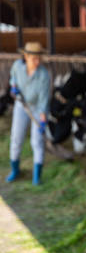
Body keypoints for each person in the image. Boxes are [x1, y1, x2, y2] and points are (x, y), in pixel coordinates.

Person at [6, 41, 50, 185]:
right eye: (33, 58)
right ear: (25, 56)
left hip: (37, 108)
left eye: (38, 58)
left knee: (36, 141)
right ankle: (15, 170)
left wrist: (43, 119)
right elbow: (13, 77)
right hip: (21, 105)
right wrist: (13, 87)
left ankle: (37, 176)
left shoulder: (44, 75)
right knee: (16, 137)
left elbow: (44, 98)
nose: (36, 62)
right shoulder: (17, 66)